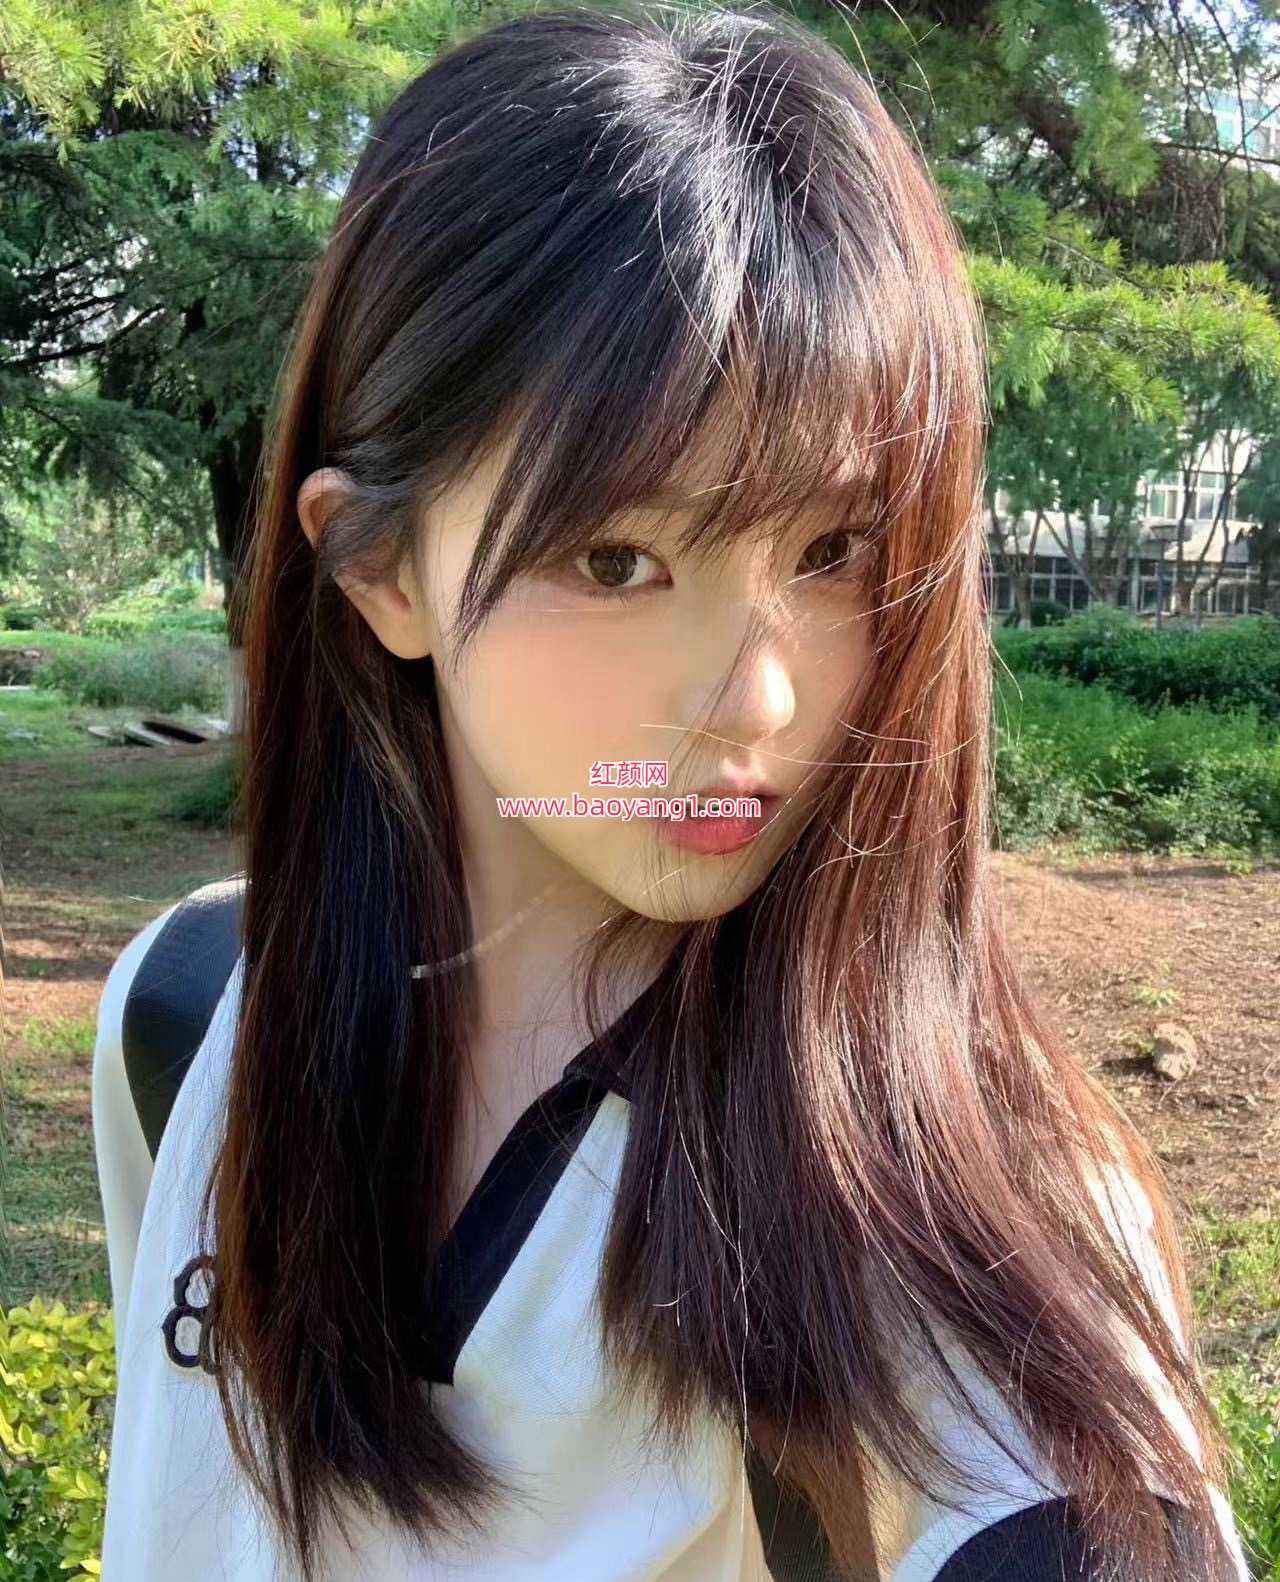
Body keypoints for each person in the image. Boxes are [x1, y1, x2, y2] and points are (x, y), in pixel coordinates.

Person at [90, 4, 1252, 1579]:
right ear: (380, 569)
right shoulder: (187, 1020)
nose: (761, 701)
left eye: (832, 550)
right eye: (617, 557)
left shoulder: (945, 1214)